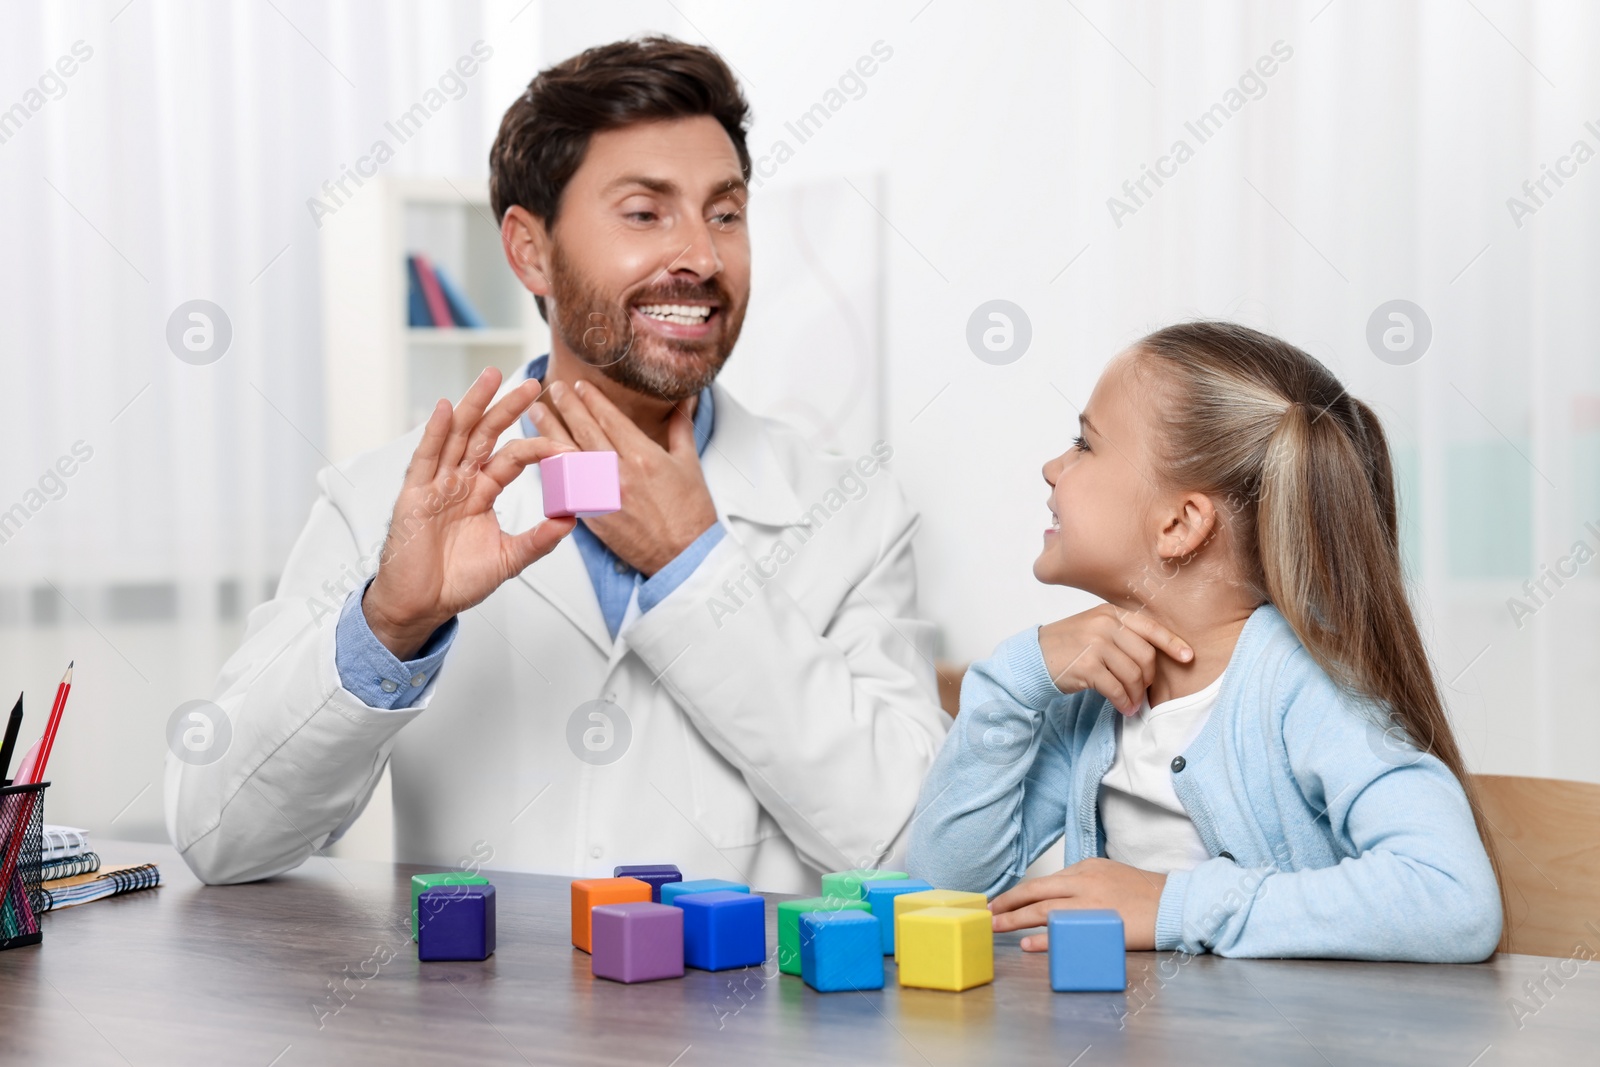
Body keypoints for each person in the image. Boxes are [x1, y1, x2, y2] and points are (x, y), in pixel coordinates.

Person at [166, 37, 948, 891]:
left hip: (747, 1022)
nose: (703, 256)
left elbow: (917, 849)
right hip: (484, 1024)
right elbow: (218, 835)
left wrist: (695, 564)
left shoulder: (850, 512)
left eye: (724, 213)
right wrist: (389, 624)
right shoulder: (381, 501)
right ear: (530, 251)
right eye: (646, 213)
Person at [906, 321, 1504, 961]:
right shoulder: (1095, 696)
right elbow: (945, 887)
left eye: (1084, 444)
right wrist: (1016, 680)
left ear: (1179, 524)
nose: (1052, 467)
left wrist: (1171, 904)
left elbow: (1454, 899)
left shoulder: (1300, 691)